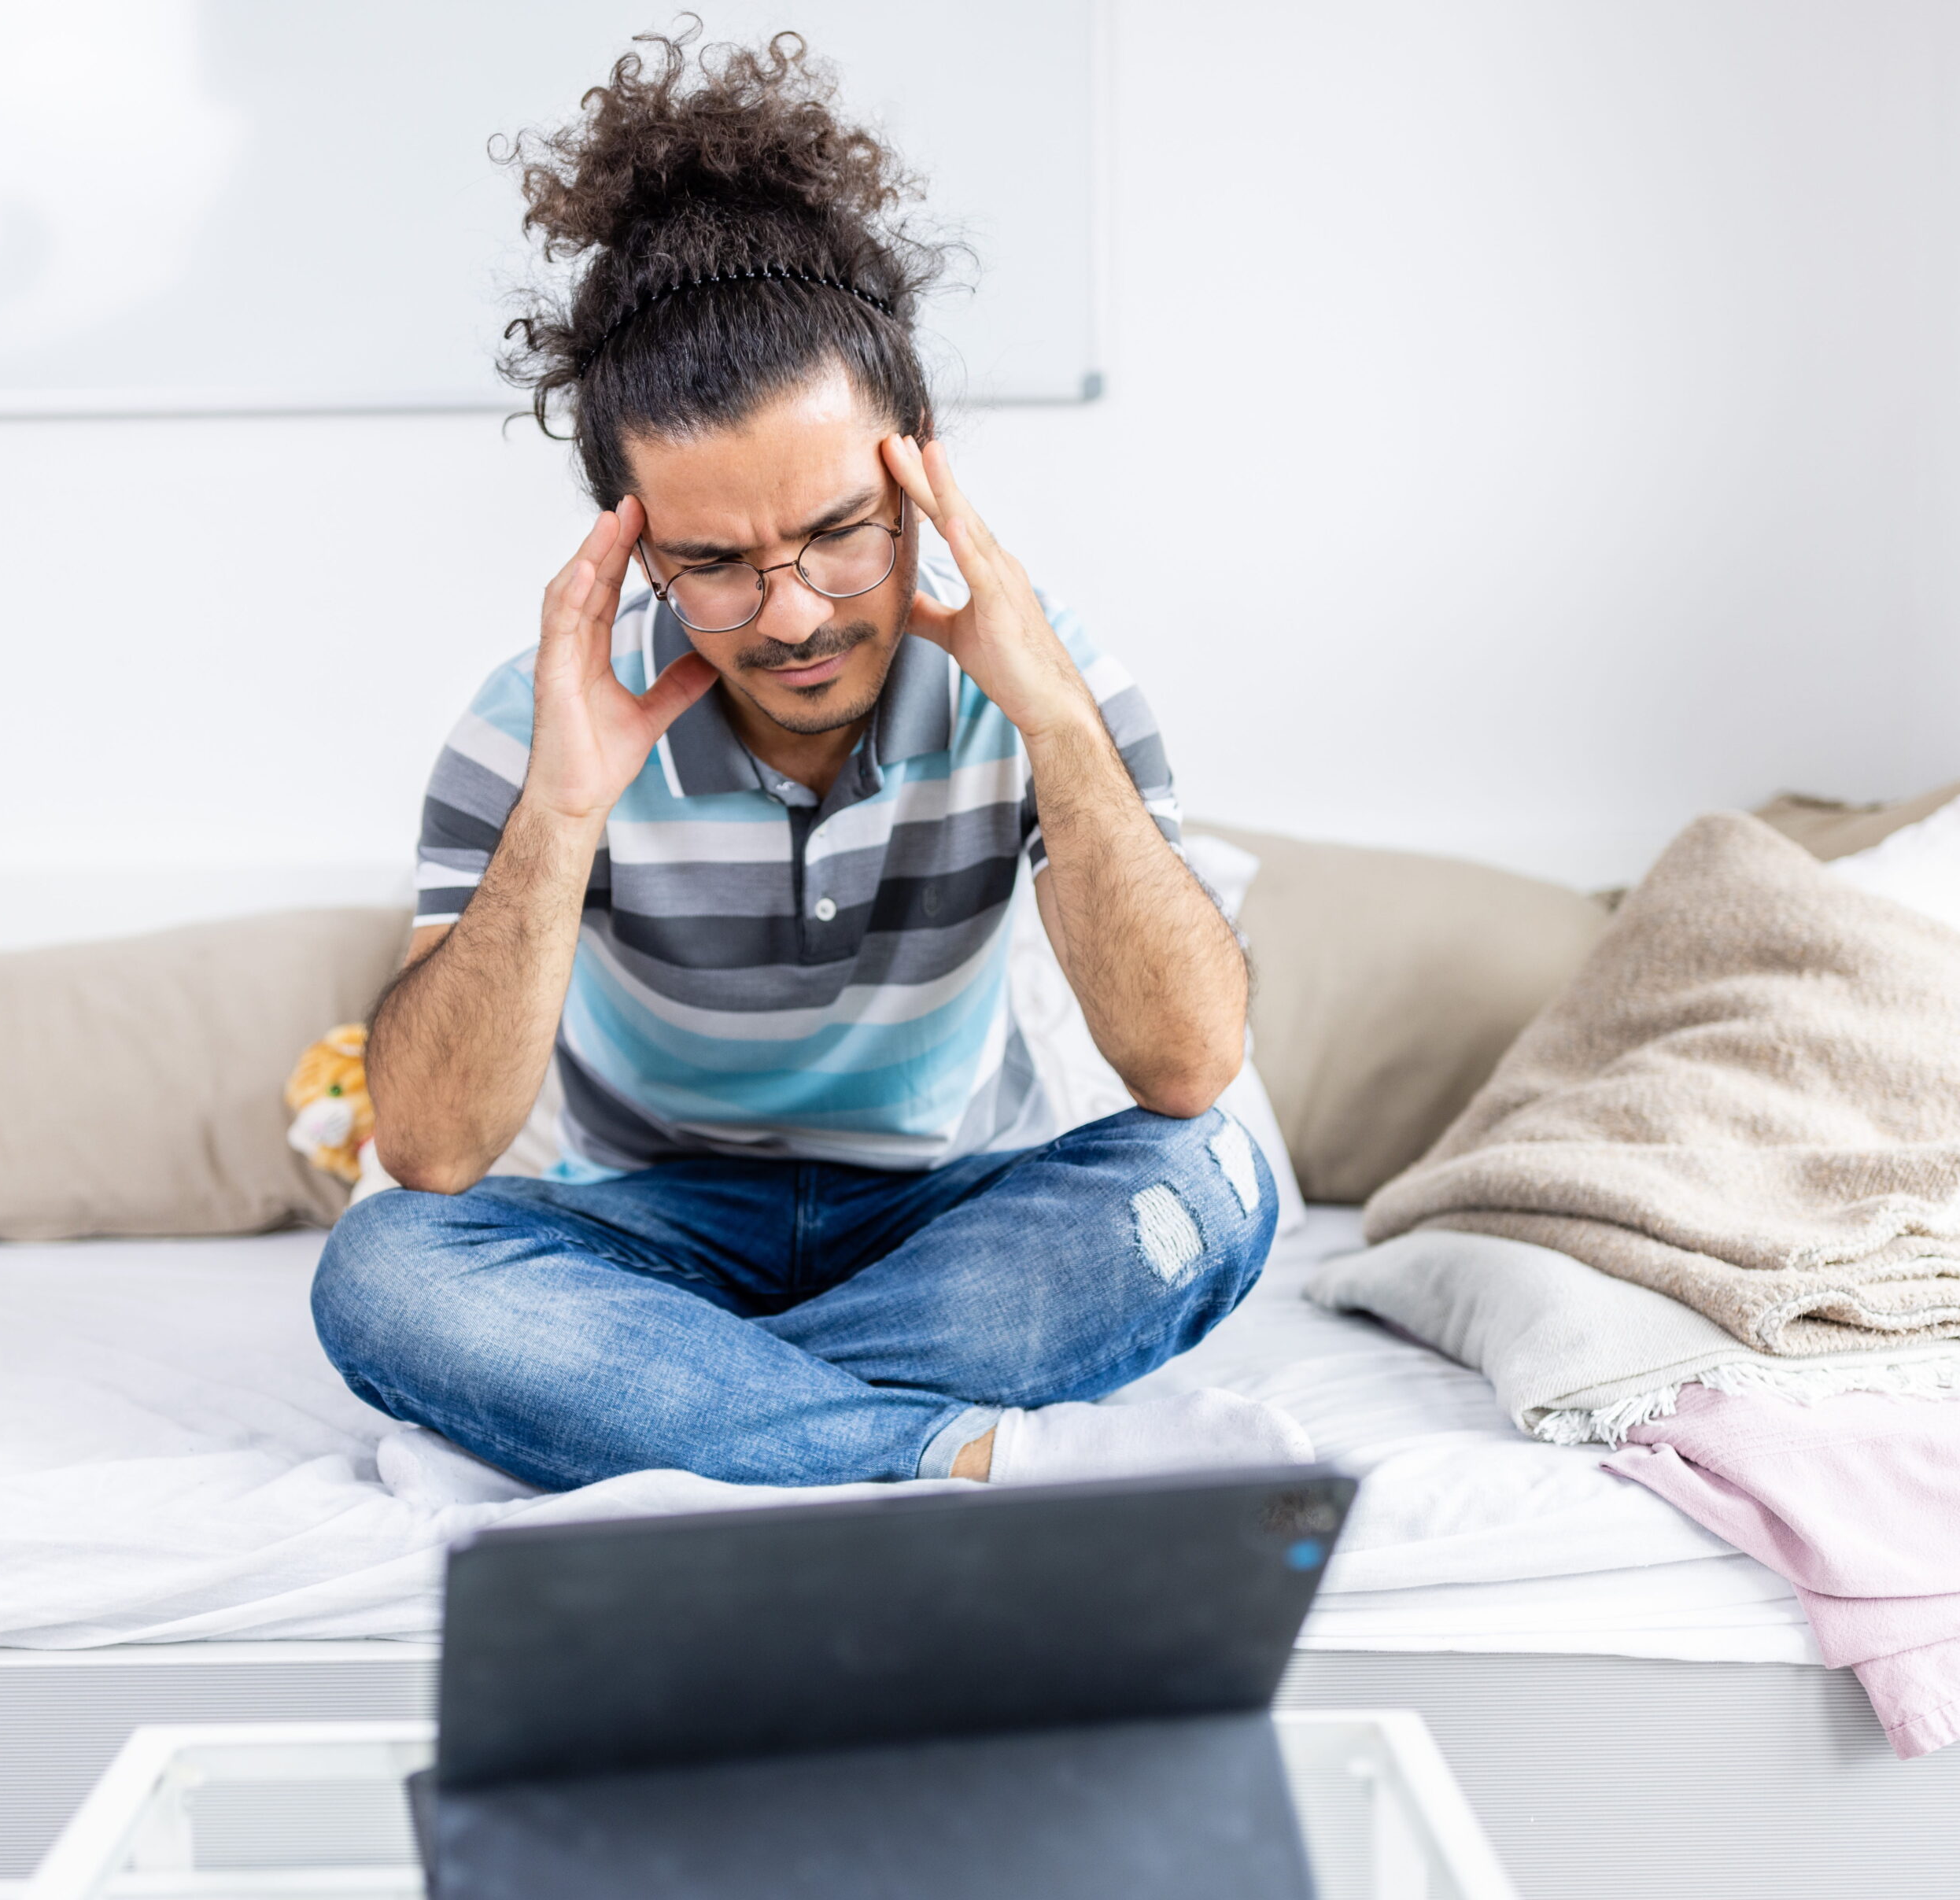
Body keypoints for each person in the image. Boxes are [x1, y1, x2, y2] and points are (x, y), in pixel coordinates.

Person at [312, 30, 1305, 1492]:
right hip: (654, 1225)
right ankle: (935, 1455)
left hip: (940, 1216)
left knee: (1212, 1176)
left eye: (839, 532)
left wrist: (1053, 726)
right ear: (629, 542)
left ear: (919, 471)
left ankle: (664, 1414)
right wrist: (565, 805)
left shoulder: (1046, 676)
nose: (791, 616)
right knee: (385, 1273)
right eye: (712, 561)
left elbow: (1185, 1058)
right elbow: (438, 1153)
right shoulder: (533, 723)